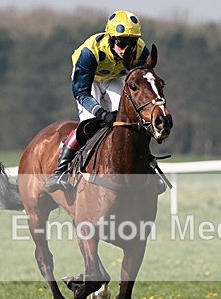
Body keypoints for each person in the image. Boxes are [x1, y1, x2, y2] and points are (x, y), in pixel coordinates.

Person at [45, 10, 150, 193]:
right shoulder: (89, 53)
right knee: (90, 123)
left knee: (131, 121)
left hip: (115, 79)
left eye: (131, 43)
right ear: (110, 39)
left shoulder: (141, 52)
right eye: (121, 42)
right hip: (90, 81)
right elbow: (81, 92)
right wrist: (101, 113)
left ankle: (148, 165)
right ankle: (60, 172)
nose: (126, 49)